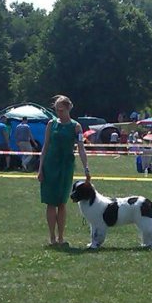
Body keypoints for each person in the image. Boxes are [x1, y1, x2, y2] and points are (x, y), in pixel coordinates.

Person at [38, 95, 90, 247]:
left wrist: (86, 168)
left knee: (61, 202)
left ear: (68, 108)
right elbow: (45, 146)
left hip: (66, 167)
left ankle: (61, 237)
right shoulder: (51, 124)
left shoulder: (76, 127)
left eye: (61, 110)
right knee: (50, 202)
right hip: (50, 166)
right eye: (56, 110)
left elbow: (81, 149)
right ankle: (52, 238)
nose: (58, 113)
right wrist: (40, 168)